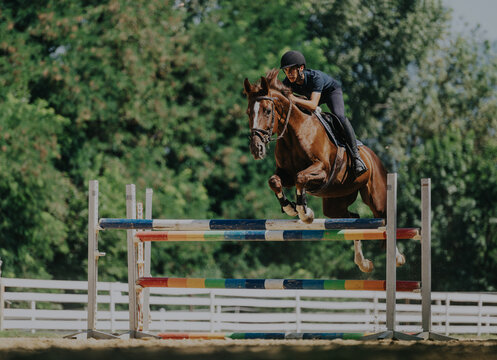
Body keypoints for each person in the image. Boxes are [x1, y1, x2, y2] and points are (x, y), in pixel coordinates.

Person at [280, 50, 367, 178]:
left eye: (291, 70)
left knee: (339, 116)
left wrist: (294, 99)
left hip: (330, 92)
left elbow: (313, 105)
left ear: (301, 68)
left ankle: (356, 157)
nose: (289, 74)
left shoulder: (316, 77)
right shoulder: (287, 83)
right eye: (286, 71)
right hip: (308, 96)